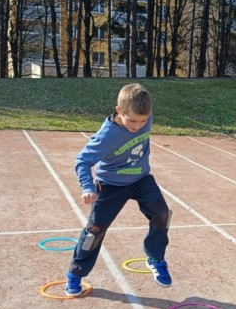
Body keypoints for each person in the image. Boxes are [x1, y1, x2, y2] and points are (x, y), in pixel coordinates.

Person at [65, 83, 172, 295]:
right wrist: (87, 186)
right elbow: (82, 161)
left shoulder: (145, 117)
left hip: (141, 179)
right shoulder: (106, 137)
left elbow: (141, 112)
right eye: (132, 120)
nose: (138, 126)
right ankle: (75, 273)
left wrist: (141, 120)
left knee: (162, 213)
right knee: (95, 230)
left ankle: (155, 257)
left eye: (143, 121)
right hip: (111, 185)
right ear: (119, 110)